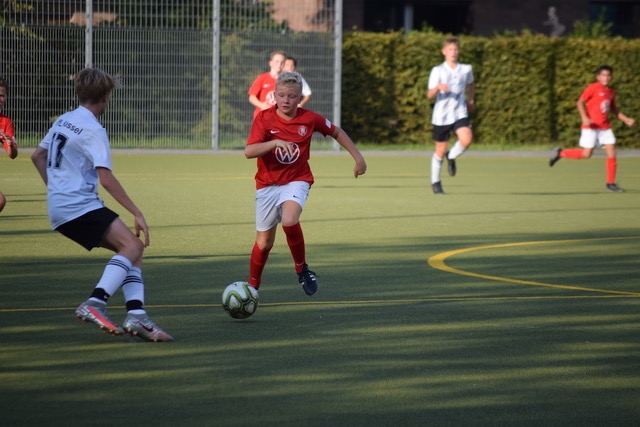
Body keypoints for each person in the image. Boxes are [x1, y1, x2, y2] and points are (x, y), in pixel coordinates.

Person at [31, 68, 173, 342]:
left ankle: (137, 315)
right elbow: (105, 178)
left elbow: (37, 156)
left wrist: (56, 189)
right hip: (79, 205)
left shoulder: (65, 119)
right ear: (106, 96)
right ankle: (95, 303)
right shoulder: (94, 129)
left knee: (132, 249)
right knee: (133, 246)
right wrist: (136, 212)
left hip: (60, 207)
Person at [244, 71, 367, 296]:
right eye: (282, 95)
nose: (286, 100)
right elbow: (249, 151)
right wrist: (275, 143)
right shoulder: (264, 118)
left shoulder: (309, 118)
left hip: (297, 179)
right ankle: (252, 286)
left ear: (300, 98)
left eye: (292, 96)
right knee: (264, 243)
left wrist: (358, 158)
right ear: (274, 96)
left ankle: (302, 269)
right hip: (267, 184)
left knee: (290, 219)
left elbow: (336, 132)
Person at [549, 65, 634, 192]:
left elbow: (614, 109)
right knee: (586, 154)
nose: (606, 77)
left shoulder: (611, 91)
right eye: (603, 75)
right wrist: (584, 117)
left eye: (608, 75)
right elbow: (579, 102)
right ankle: (561, 153)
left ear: (611, 77)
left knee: (612, 151)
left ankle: (610, 183)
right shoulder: (593, 87)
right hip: (591, 127)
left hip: (605, 128)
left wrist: (626, 119)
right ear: (598, 77)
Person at [426, 36, 475, 194]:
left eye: (455, 49)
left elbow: (471, 83)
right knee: (440, 151)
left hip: (459, 112)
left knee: (467, 139)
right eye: (450, 49)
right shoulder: (438, 70)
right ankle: (435, 182)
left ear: (458, 51)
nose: (453, 52)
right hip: (441, 116)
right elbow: (429, 95)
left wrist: (471, 99)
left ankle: (452, 155)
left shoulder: (466, 69)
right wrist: (438, 87)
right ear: (444, 52)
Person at [248, 50, 287, 119]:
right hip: (262, 117)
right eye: (277, 61)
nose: (279, 64)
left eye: (282, 62)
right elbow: (252, 97)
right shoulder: (262, 78)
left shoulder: (287, 81)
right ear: (270, 63)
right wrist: (261, 105)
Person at [0, 78, 18, 213]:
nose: (1, 99)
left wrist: (10, 144)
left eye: (2, 95)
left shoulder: (6, 122)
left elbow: (12, 155)